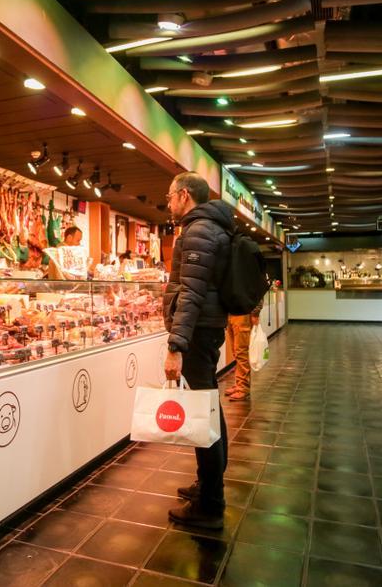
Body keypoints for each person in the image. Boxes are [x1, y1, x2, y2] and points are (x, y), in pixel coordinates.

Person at [161, 171, 234, 530]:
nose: (169, 203)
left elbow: (190, 293)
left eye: (170, 197)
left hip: (198, 333)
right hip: (207, 330)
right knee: (208, 409)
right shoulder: (209, 227)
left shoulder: (199, 230)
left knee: (203, 415)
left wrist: (176, 345)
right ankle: (208, 485)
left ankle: (211, 503)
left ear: (185, 195)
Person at [225, 301, 261, 401]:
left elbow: (258, 289)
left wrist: (255, 312)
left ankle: (243, 388)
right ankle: (239, 383)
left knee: (241, 352)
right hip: (231, 312)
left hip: (243, 313)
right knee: (236, 352)